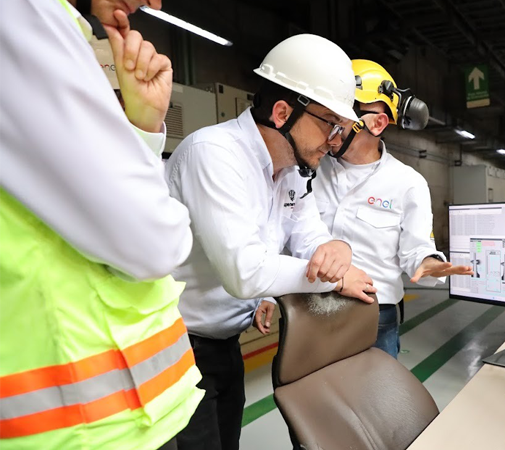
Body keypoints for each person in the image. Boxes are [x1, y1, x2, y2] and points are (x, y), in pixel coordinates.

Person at [0, 1, 202, 450]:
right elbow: (152, 240)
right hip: (81, 428)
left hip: (126, 415)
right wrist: (169, 221)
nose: (154, 4)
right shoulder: (20, 13)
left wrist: (143, 128)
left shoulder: (58, 23)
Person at [165, 34, 377, 450]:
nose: (335, 140)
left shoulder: (293, 172)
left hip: (225, 344)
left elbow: (309, 236)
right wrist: (334, 279)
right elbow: (245, 273)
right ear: (282, 112)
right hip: (178, 350)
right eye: (329, 124)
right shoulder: (215, 154)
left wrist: (338, 251)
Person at [313, 60, 473, 358]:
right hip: (310, 308)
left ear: (377, 123)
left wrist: (429, 263)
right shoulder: (310, 169)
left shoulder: (407, 183)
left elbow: (416, 250)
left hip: (374, 315)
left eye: (340, 118)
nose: (329, 130)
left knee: (374, 400)